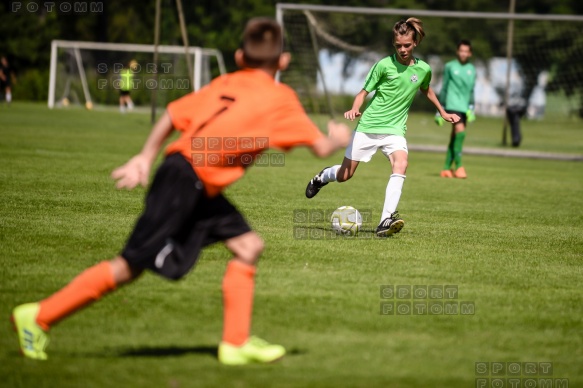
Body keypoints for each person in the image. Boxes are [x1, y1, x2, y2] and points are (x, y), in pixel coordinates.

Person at [11, 18, 351, 365]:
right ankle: (39, 316)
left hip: (189, 177)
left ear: (238, 56)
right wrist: (338, 138)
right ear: (284, 61)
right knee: (129, 266)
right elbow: (322, 149)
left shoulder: (225, 83)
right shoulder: (280, 98)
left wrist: (145, 156)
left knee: (249, 246)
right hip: (186, 180)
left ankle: (235, 343)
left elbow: (172, 114)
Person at [304, 18, 459, 237]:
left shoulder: (423, 69)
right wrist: (354, 109)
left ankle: (385, 220)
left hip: (395, 130)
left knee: (401, 163)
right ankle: (321, 177)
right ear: (393, 44)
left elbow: (425, 88)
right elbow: (362, 93)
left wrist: (442, 111)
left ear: (415, 43)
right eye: (398, 46)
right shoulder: (384, 65)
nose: (402, 50)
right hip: (368, 127)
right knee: (345, 174)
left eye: (406, 45)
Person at [435, 40, 476, 178]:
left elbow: (471, 91)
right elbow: (445, 87)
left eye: (466, 51)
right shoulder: (450, 66)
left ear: (469, 53)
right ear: (457, 52)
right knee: (461, 132)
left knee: (455, 137)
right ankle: (459, 166)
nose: (463, 53)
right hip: (452, 104)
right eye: (461, 50)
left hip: (464, 107)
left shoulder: (472, 69)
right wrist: (439, 109)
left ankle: (446, 168)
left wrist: (471, 107)